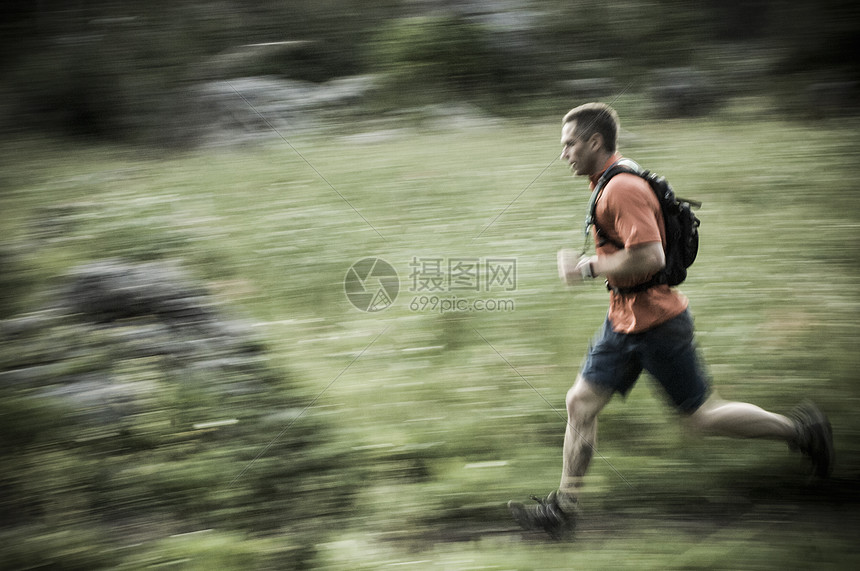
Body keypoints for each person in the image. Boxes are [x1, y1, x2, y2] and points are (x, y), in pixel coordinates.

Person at [507, 102, 835, 539]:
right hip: (623, 320)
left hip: (658, 323)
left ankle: (803, 431)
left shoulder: (620, 188)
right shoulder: (609, 180)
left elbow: (651, 255)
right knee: (579, 403)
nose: (563, 153)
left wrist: (585, 267)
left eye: (569, 144)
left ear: (594, 142)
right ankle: (564, 511)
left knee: (701, 417)